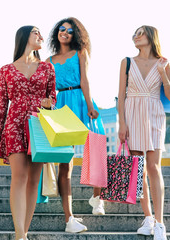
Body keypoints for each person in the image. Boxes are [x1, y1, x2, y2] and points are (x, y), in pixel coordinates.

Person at [0, 25, 56, 240]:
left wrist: (48, 102)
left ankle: (23, 232)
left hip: (38, 123)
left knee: (34, 181)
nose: (41, 36)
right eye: (37, 32)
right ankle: (20, 235)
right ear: (25, 36)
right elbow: (1, 105)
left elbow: (53, 97)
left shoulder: (47, 68)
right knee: (19, 176)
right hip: (14, 124)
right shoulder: (6, 69)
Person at [46, 17, 105, 233]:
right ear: (57, 33)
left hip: (81, 99)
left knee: (96, 147)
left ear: (75, 35)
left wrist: (90, 104)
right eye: (61, 29)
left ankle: (97, 197)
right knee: (65, 163)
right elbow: (48, 90)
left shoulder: (81, 53)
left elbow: (85, 79)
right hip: (61, 106)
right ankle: (69, 217)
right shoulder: (49, 60)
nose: (65, 33)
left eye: (69, 31)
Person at [117, 25, 170, 240]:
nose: (136, 36)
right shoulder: (127, 62)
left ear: (151, 37)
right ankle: (148, 217)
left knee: (154, 167)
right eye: (134, 33)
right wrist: (121, 124)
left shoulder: (163, 62)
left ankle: (160, 223)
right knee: (138, 168)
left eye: (140, 33)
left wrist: (163, 73)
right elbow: (120, 96)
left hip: (154, 114)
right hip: (131, 114)